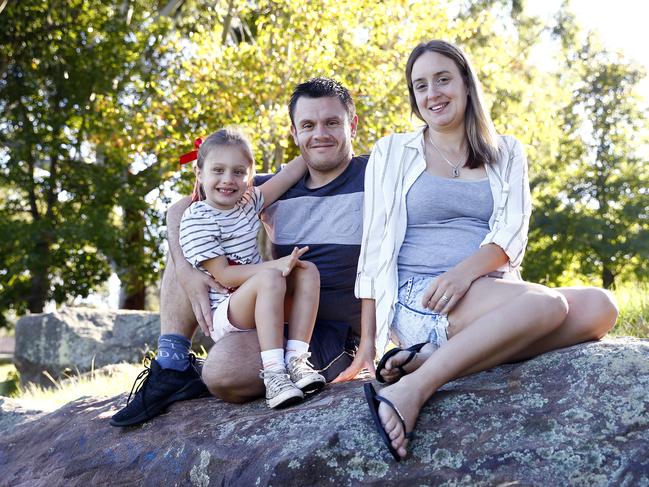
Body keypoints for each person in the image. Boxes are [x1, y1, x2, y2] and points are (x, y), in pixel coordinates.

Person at [111, 75, 616, 427]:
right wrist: (185, 267)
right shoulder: (268, 190)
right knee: (189, 250)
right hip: (267, 307)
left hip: (332, 331)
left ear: (353, 124)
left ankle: (223, 368)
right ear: (294, 133)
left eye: (331, 122)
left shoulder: (382, 173)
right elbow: (184, 207)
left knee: (224, 374)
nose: (320, 134)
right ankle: (173, 364)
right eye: (308, 126)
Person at [357, 40, 619, 461]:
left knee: (600, 307)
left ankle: (435, 360)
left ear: (465, 83)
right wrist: (367, 346)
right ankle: (411, 390)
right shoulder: (392, 152)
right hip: (421, 295)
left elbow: (513, 231)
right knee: (549, 306)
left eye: (443, 79)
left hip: (487, 290)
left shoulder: (507, 151)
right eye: (420, 85)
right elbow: (372, 249)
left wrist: (465, 273)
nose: (432, 94)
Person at [178, 128, 325, 409]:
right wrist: (276, 265)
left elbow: (288, 175)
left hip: (260, 294)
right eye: (217, 170)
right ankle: (274, 374)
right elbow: (224, 275)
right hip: (227, 309)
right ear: (199, 174)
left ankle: (296, 360)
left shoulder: (248, 202)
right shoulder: (197, 218)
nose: (227, 180)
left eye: (238, 172)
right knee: (271, 277)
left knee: (307, 271)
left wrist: (314, 145)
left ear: (250, 174)